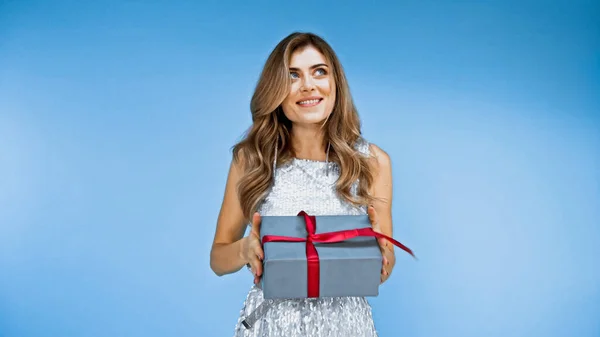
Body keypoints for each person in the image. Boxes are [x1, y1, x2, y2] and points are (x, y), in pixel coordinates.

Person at [210, 32, 398, 337]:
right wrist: (245, 250)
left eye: (319, 71)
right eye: (292, 75)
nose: (308, 85)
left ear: (335, 82)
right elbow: (217, 259)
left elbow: (383, 270)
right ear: (276, 91)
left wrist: (382, 257)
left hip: (346, 326)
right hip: (271, 326)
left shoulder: (373, 162)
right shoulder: (252, 160)